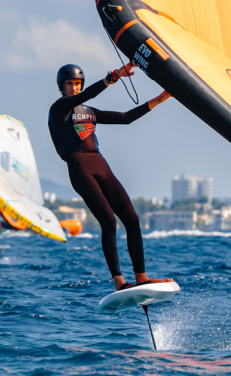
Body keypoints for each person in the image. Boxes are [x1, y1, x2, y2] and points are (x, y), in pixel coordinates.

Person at [47, 62, 173, 291]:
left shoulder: (89, 112)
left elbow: (125, 118)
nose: (74, 88)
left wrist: (159, 99)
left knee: (132, 219)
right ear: (61, 86)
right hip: (79, 167)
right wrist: (113, 77)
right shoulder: (58, 109)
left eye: (77, 84)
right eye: (69, 84)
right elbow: (87, 94)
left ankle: (141, 277)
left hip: (100, 163)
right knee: (109, 220)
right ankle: (119, 282)